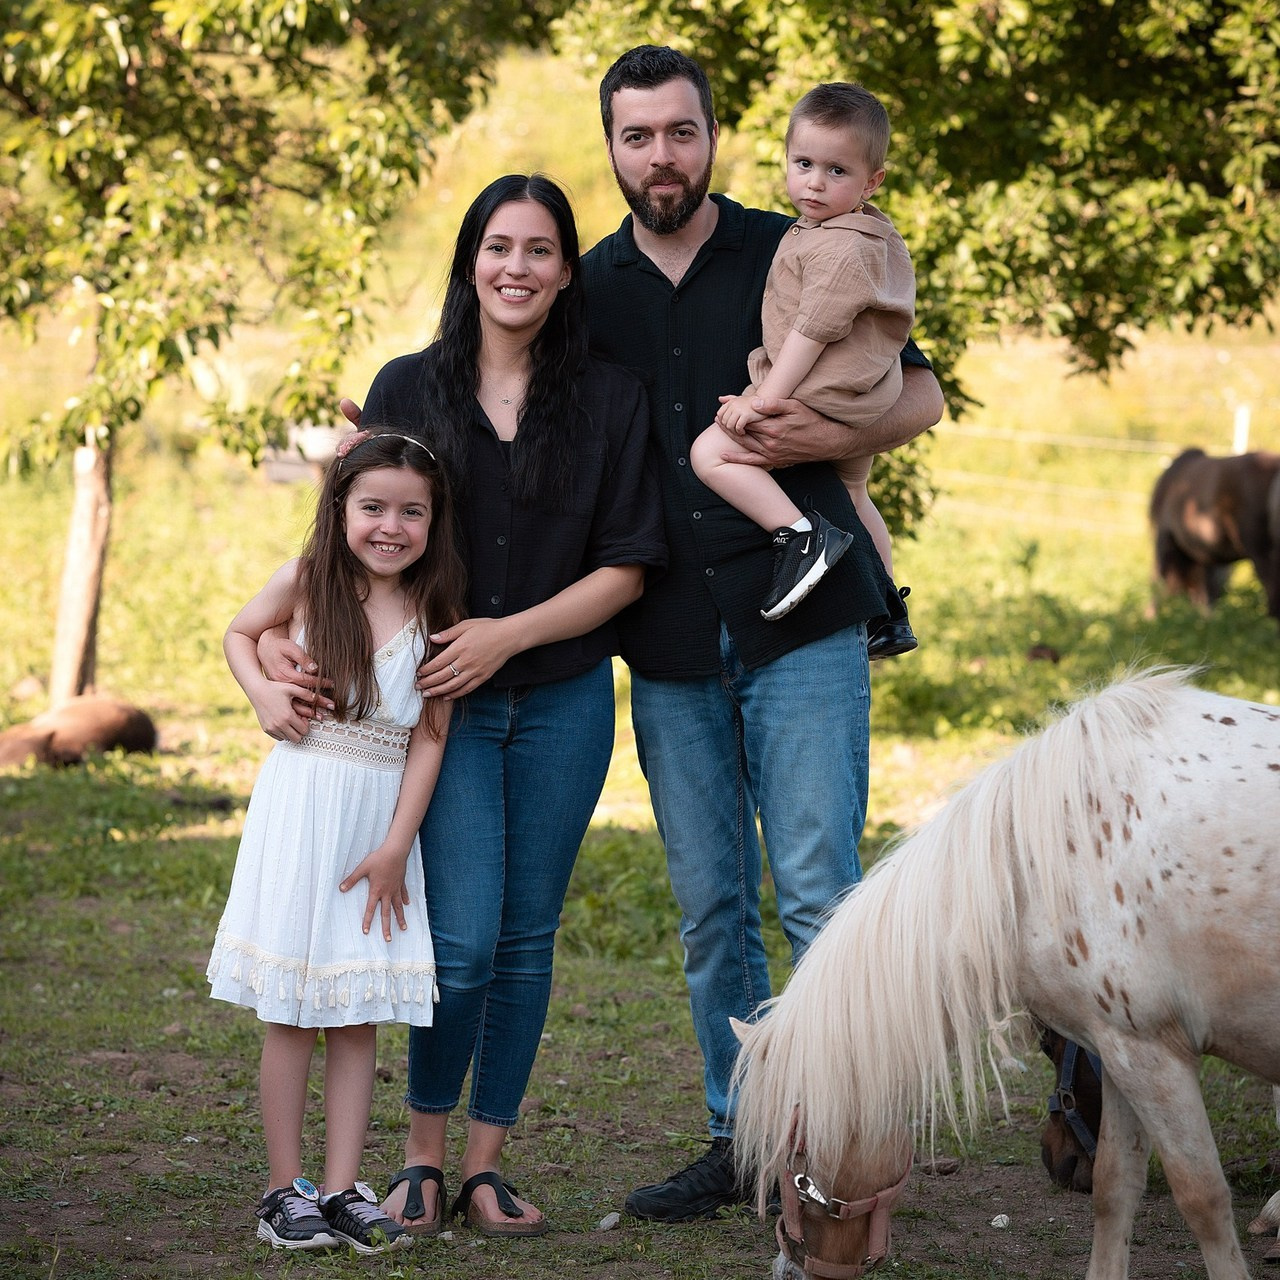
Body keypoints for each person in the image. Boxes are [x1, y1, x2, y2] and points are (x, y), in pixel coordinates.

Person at [255, 174, 667, 1236]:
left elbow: (625, 566)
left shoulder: (611, 398)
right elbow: (351, 540)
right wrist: (268, 666)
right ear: (469, 260)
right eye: (497, 246)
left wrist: (506, 633)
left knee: (527, 937)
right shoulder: (408, 385)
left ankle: (484, 1164)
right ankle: (420, 1156)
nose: (515, 267)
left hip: (564, 695)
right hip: (442, 710)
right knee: (462, 938)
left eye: (538, 249)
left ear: (566, 269)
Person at [580, 46, 944, 1221]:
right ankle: (740, 1139)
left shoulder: (798, 237)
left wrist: (787, 442)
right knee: (708, 909)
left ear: (713, 132)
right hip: (670, 638)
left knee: (819, 892)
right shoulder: (589, 291)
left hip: (802, 620)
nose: (660, 156)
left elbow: (921, 396)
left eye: (679, 132)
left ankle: (845, 1147)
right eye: (636, 137)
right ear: (613, 147)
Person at [208, 429, 466, 1253]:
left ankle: (346, 1186)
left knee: (356, 1011)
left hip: (375, 831)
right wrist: (260, 695)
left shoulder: (437, 609)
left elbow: (429, 736)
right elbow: (238, 636)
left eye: (412, 512)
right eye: (373, 507)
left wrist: (397, 846)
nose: (391, 526)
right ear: (340, 509)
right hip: (303, 805)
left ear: (434, 521)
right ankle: (284, 1191)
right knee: (291, 1010)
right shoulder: (306, 585)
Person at [689, 82, 918, 651]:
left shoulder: (841, 248)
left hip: (819, 390)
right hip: (861, 393)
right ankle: (887, 607)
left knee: (710, 453)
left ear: (872, 182)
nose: (815, 182)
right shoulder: (856, 233)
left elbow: (809, 333)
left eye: (837, 171)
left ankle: (800, 536)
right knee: (857, 493)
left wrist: (762, 400)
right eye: (804, 164)